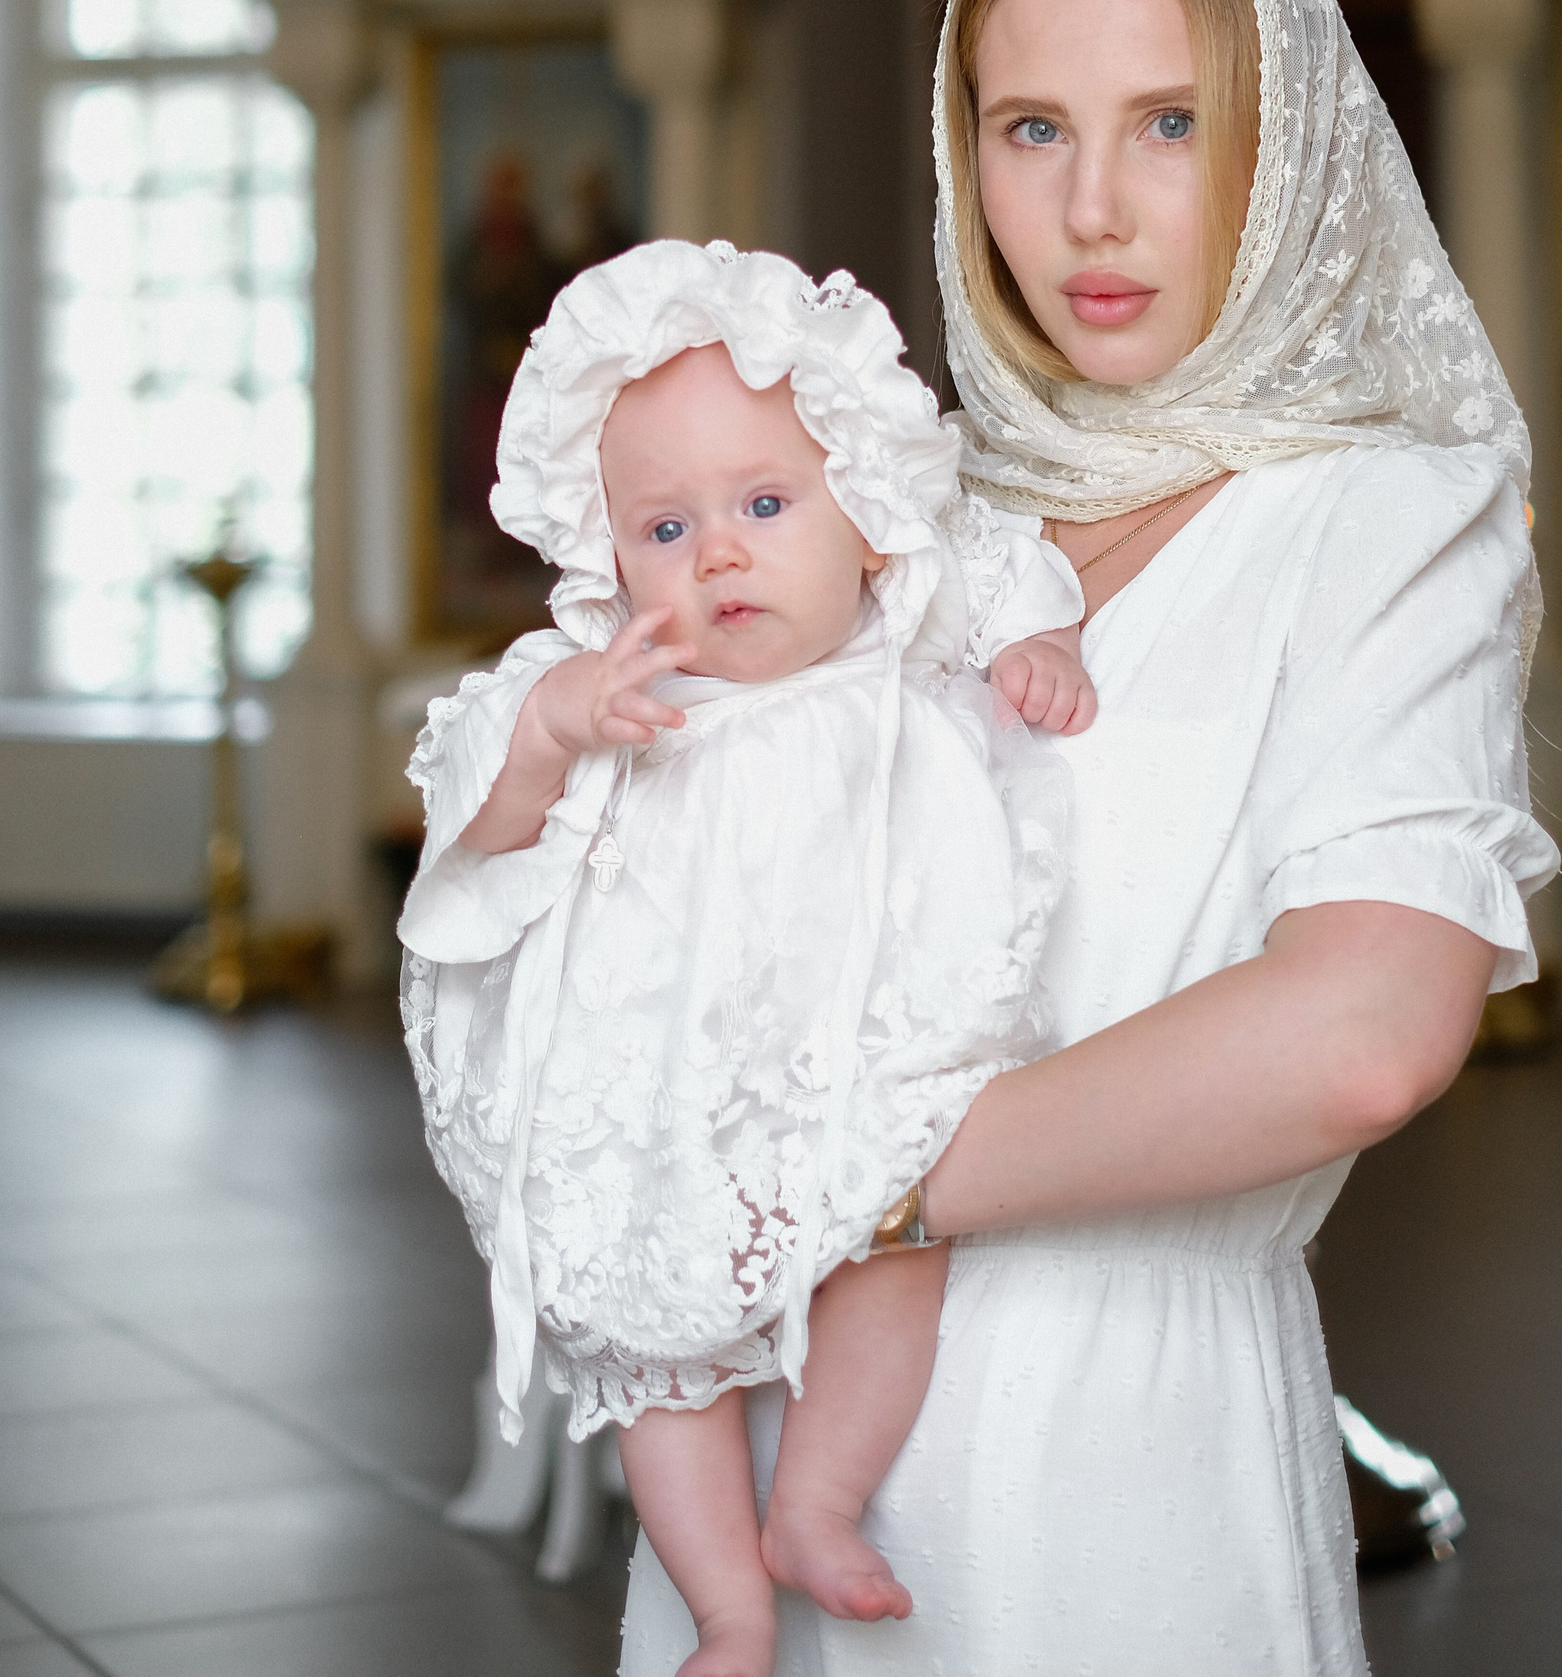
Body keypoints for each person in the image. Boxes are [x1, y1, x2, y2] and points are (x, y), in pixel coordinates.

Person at [621, 0, 1560, 1675]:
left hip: (1120, 1453)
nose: (1094, 211)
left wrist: (871, 1175)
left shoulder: (1392, 515)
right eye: (1032, 129)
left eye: (1170, 123)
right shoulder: (892, 507)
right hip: (777, 1428)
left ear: (1283, 142)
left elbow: (1366, 1030)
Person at [398, 240, 1094, 1677]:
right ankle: (725, 1603)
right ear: (607, 557)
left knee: (898, 1245)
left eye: (766, 505)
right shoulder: (602, 688)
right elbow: (478, 835)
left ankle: (817, 1506)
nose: (717, 552)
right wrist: (557, 729)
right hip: (668, 1096)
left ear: (865, 514)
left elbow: (1000, 570)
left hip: (860, 1061)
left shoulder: (900, 629)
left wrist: (1044, 647)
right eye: (665, 527)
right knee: (655, 1353)